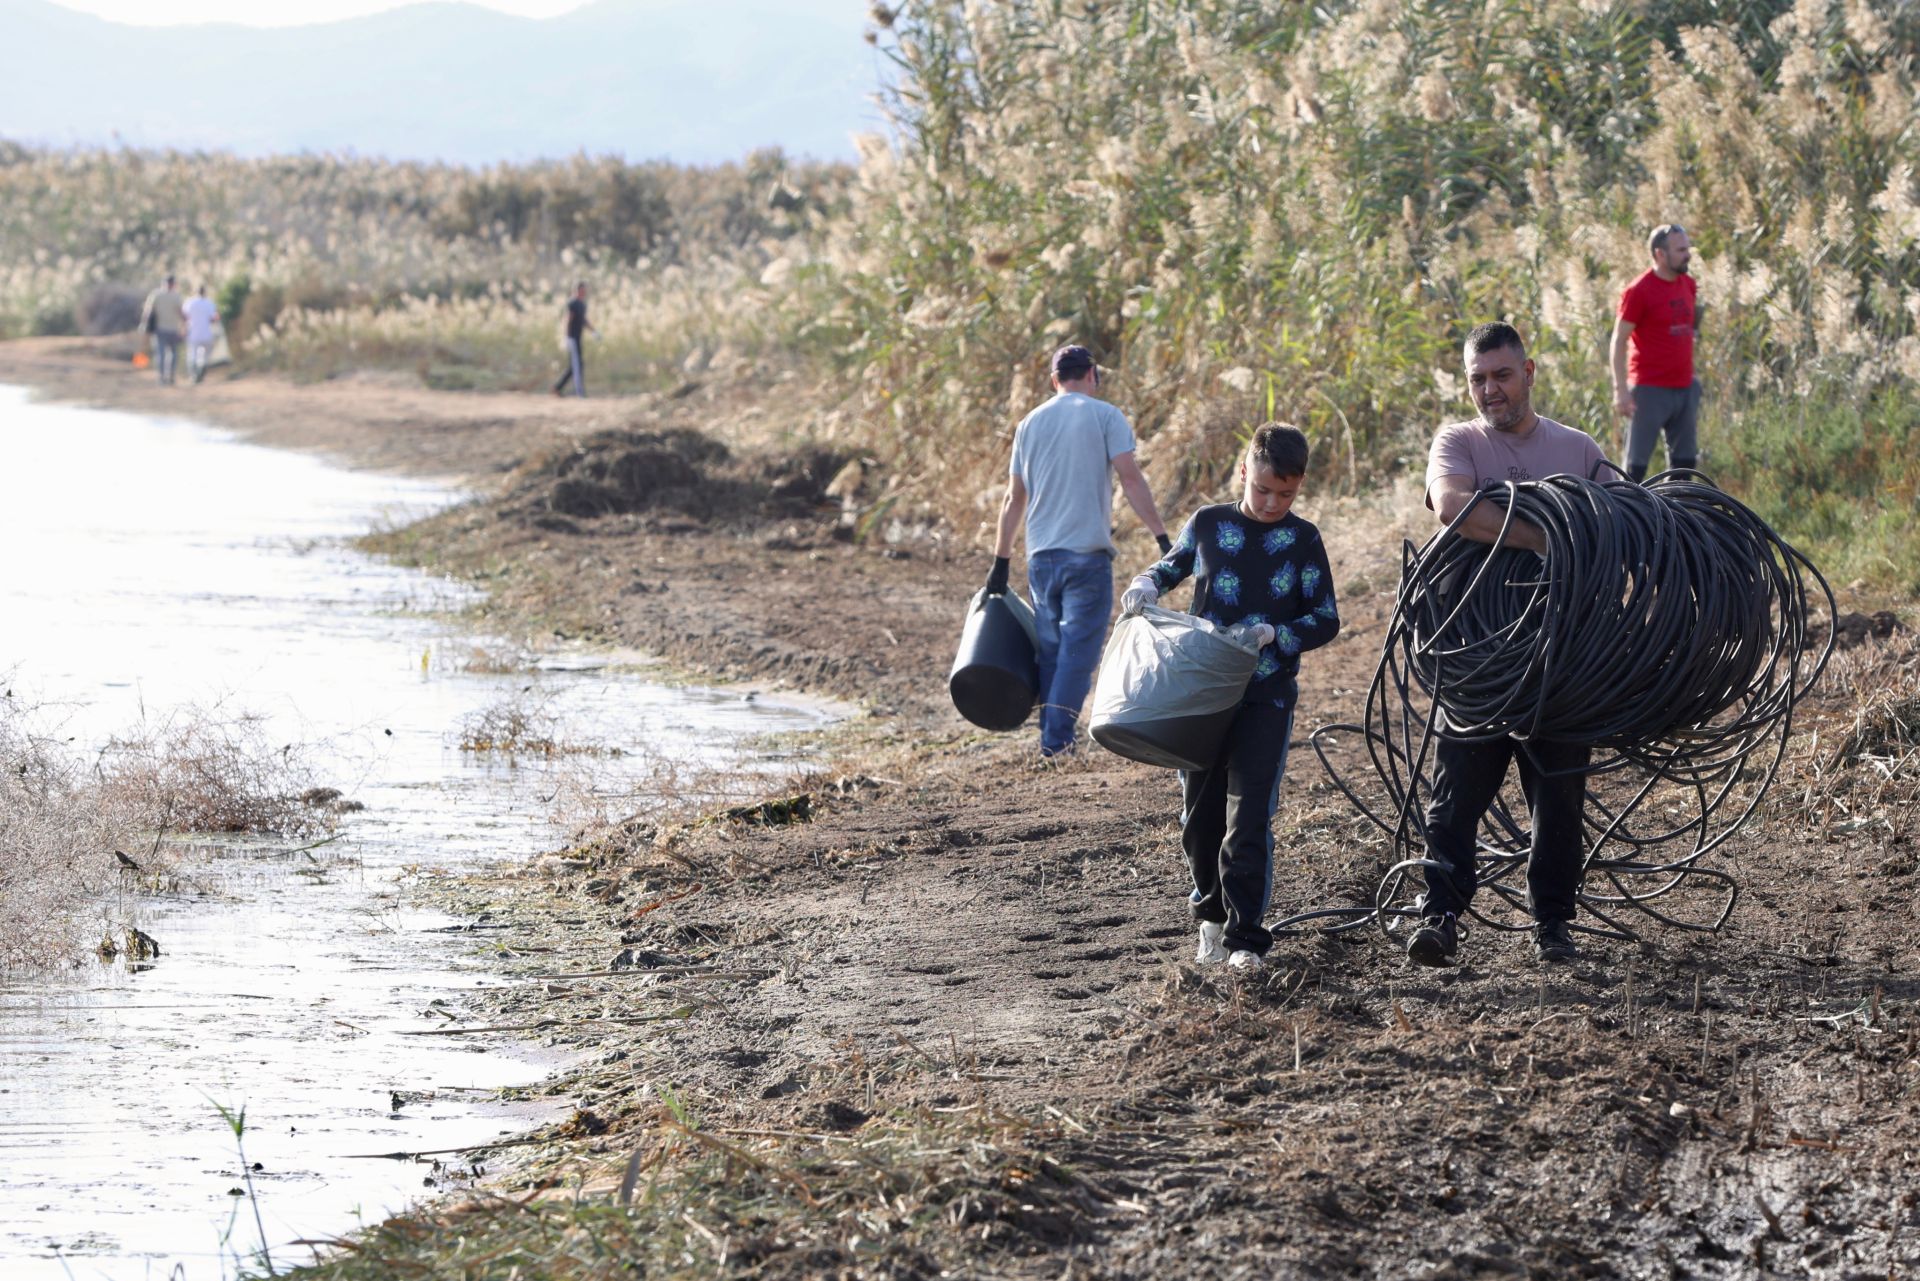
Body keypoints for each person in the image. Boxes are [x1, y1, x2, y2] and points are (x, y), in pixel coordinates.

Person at [1411, 322, 1607, 967]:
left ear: (1529, 371)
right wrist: (1550, 537)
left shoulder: (1577, 449)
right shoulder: (1459, 441)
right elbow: (1452, 506)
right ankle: (1440, 915)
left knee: (1558, 799)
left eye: (1500, 375)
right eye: (1477, 379)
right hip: (1481, 656)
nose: (1489, 390)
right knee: (1456, 791)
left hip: (1564, 660)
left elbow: (1627, 523)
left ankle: (1552, 923)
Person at [1120, 422, 1340, 974]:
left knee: (1249, 818)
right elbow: (1171, 565)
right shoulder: (1210, 524)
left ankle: (1246, 938)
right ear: (1245, 470)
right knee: (1200, 817)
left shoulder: (1305, 538)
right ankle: (1210, 922)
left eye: (1285, 494)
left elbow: (1326, 617)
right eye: (1263, 489)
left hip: (1266, 695)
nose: (1271, 503)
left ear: (1300, 486)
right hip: (1202, 692)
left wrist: (1277, 634)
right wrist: (1146, 584)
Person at [989, 344, 1172, 757]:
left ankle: (1051, 739)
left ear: (1055, 380)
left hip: (1041, 557)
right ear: (1092, 375)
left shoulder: (1029, 423)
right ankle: (1056, 743)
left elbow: (1013, 498)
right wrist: (1162, 537)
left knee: (1053, 650)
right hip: (1086, 555)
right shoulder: (1105, 415)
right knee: (1078, 651)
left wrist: (1000, 561)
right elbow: (1130, 479)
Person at [1610, 223, 1700, 483]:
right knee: (1634, 468)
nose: (1688, 254)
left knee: (1685, 465)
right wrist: (1621, 390)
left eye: (1687, 248)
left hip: (1684, 387)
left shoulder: (1688, 285)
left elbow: (1688, 328)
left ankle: (1679, 520)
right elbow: (1618, 340)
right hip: (1649, 390)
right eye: (1681, 249)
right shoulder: (1638, 291)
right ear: (1660, 254)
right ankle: (1626, 519)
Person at [138, 275, 185, 386]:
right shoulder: (176, 296)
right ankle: (171, 376)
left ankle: (162, 377)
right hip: (173, 329)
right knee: (173, 354)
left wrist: (144, 325)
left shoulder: (156, 295)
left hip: (160, 329)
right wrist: (184, 326)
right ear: (173, 284)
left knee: (161, 354)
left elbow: (148, 312)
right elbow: (181, 313)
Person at [552, 281, 596, 398]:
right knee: (577, 366)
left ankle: (557, 388)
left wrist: (593, 331)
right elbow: (568, 320)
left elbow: (583, 321)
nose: (583, 292)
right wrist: (567, 337)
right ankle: (580, 392)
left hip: (578, 338)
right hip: (573, 338)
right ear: (576, 290)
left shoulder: (582, 305)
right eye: (581, 290)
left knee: (574, 366)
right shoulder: (572, 303)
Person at [181, 284, 221, 385]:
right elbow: (214, 318)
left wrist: (184, 328)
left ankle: (193, 375)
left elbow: (184, 316)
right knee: (204, 356)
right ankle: (200, 374)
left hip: (193, 333)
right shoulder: (209, 303)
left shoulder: (189, 302)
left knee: (192, 354)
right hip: (206, 333)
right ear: (204, 292)